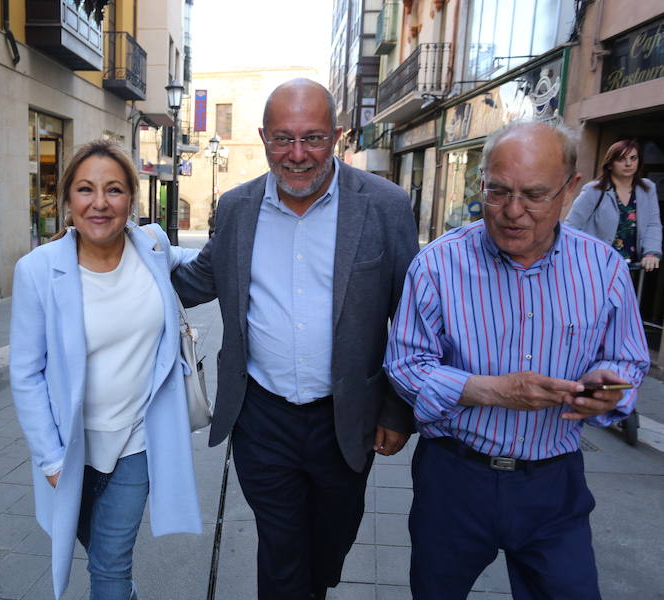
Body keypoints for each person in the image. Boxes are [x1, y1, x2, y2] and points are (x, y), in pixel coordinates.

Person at [172, 78, 419, 600]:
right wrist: (116, 252)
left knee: (328, 548)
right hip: (262, 418)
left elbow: (412, 319)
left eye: (314, 137)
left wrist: (397, 412)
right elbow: (196, 281)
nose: (299, 154)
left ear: (338, 135)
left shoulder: (385, 206)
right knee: (282, 550)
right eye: (283, 139)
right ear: (264, 137)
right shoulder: (238, 208)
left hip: (346, 418)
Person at [384, 121, 649, 599]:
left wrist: (607, 391)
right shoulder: (438, 264)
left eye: (534, 195)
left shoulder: (603, 268)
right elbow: (405, 363)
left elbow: (628, 363)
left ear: (569, 190)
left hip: (554, 484)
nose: (512, 212)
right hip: (455, 478)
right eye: (498, 191)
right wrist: (491, 389)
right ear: (481, 181)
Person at [9, 140, 203, 600]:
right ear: (68, 200)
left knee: (111, 565)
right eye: (85, 189)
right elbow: (25, 372)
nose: (100, 203)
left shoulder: (152, 246)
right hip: (71, 448)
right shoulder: (37, 271)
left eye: (113, 190)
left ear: (131, 201)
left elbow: (214, 268)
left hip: (137, 441)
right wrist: (51, 457)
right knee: (101, 557)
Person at [565, 139, 662, 271]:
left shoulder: (647, 189)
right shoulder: (594, 190)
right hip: (594, 266)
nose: (628, 164)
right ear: (610, 164)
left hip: (630, 267)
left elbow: (653, 224)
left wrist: (651, 253)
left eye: (633, 158)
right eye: (621, 159)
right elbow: (571, 226)